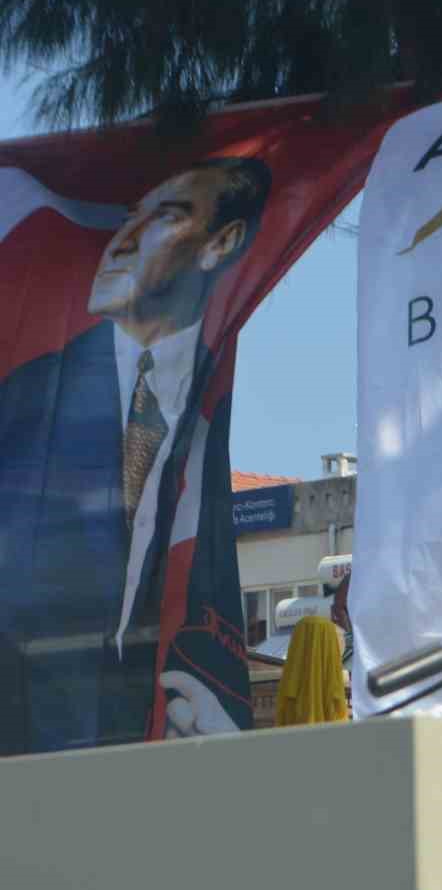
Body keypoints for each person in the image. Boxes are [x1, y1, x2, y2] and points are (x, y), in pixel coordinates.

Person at [0, 157, 272, 752]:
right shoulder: (21, 399)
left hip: (146, 758)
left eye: (165, 218)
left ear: (220, 242)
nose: (121, 242)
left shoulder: (203, 405)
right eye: (129, 218)